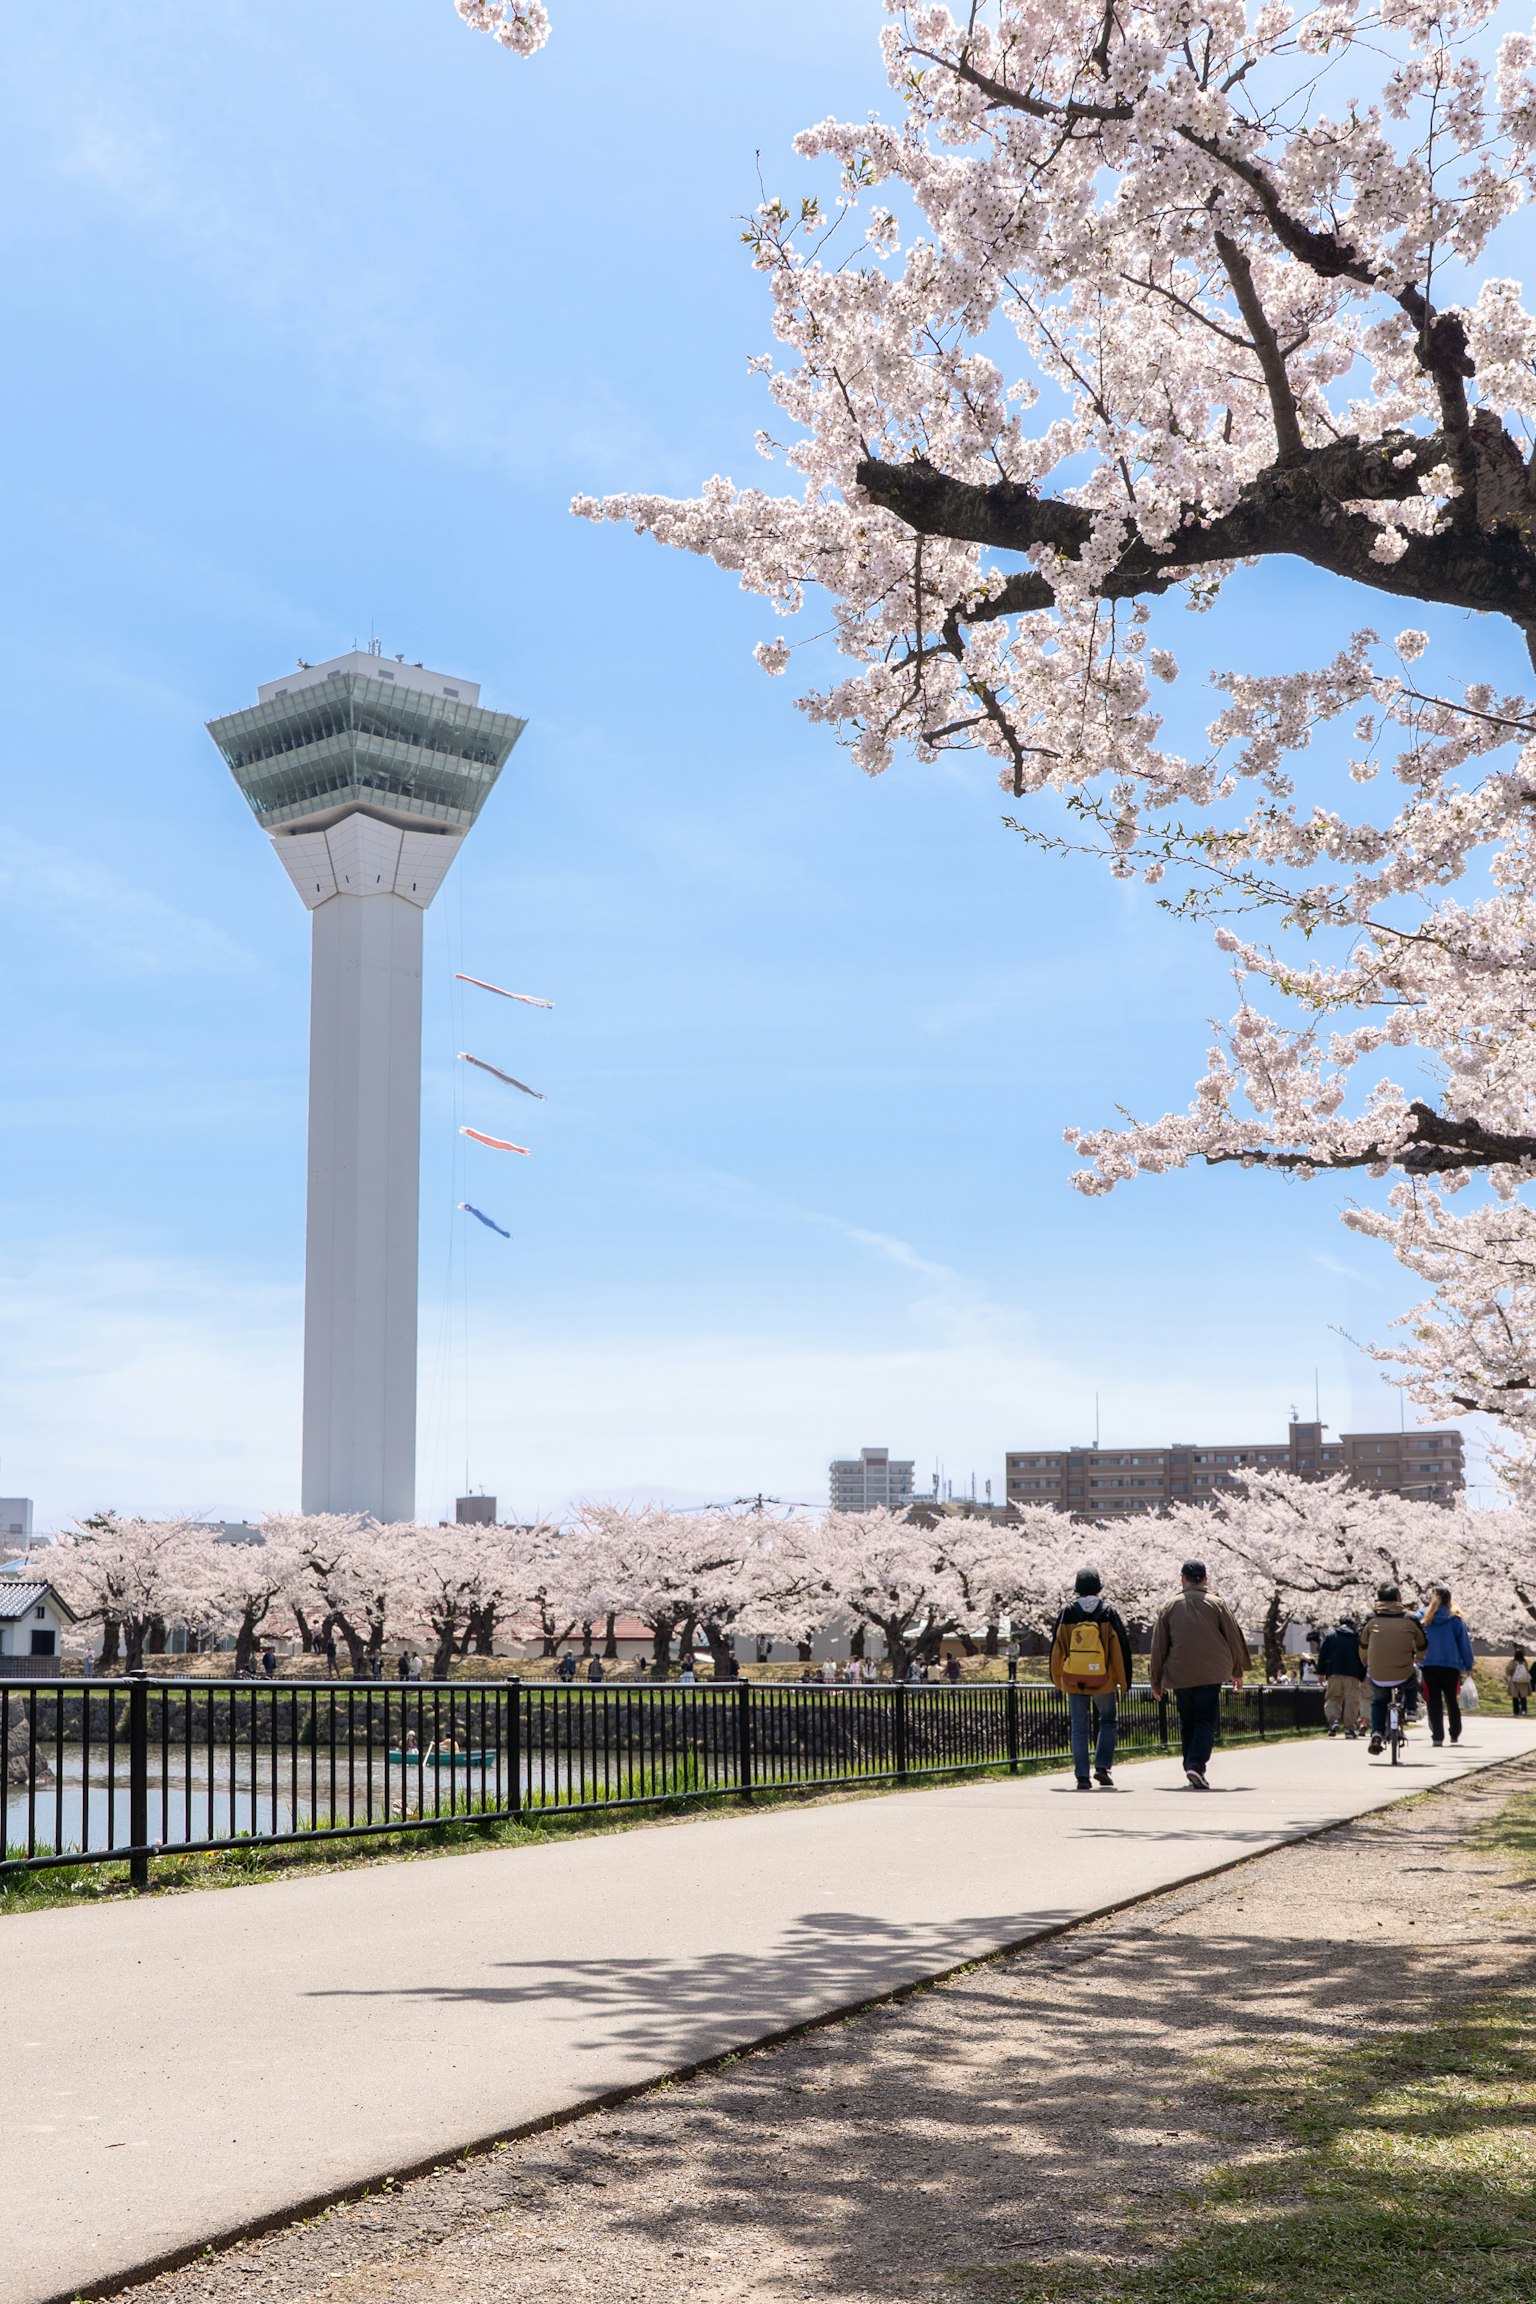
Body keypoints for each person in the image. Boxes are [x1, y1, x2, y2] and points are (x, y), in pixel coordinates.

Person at [1149, 1560, 1249, 1790]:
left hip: (1179, 1672)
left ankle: (1190, 1765)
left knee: (1188, 1721)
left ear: (1182, 1578)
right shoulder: (1218, 1604)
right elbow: (1234, 1638)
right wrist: (1237, 1671)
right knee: (1206, 1720)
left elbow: (1159, 1646)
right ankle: (1196, 1764)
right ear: (1205, 1579)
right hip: (1211, 1672)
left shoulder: (1170, 1606)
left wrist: (1156, 1680)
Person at [1049, 1567, 1133, 1790]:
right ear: (1099, 1588)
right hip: (1103, 1679)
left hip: (1074, 1678)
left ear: (1077, 1589)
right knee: (1107, 1720)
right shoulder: (1107, 1612)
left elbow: (1057, 1648)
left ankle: (1082, 1777)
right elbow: (1118, 1649)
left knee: (1079, 1726)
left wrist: (1058, 1679)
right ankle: (1102, 1767)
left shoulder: (1067, 1612)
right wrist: (1124, 1682)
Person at [1357, 1583, 1428, 1754]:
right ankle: (1411, 1708)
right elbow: (1422, 1643)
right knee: (1412, 1678)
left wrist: (1365, 1661)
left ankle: (1377, 1733)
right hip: (1403, 1671)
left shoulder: (1371, 1618)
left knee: (1379, 1701)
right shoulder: (1410, 1619)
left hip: (1377, 1673)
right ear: (1398, 1599)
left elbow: (1362, 1645)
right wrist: (1418, 1658)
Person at [1419, 1585, 1475, 1746]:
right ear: (1450, 1600)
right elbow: (1464, 1644)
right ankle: (1455, 1733)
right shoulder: (1455, 1619)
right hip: (1451, 1666)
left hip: (1429, 1665)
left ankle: (1437, 1736)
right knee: (1451, 1700)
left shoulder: (1422, 1617)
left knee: (1433, 1701)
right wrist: (1468, 1665)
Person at [1317, 1615, 1366, 1739]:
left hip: (1333, 1672)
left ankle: (1334, 1720)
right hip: (1352, 1674)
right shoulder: (1356, 1638)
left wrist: (1321, 1672)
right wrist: (1363, 1676)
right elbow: (1362, 1658)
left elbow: (1322, 1654)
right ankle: (1349, 1729)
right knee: (1352, 1701)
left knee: (1333, 1697)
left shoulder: (1330, 1635)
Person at [1507, 1647, 1532, 1717]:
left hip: (1515, 1682)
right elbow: (1527, 1670)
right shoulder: (1525, 1662)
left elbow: (1509, 1671)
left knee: (1515, 1697)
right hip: (1524, 1682)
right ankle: (1524, 1710)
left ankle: (1516, 1711)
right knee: (1523, 1697)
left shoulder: (1513, 1662)